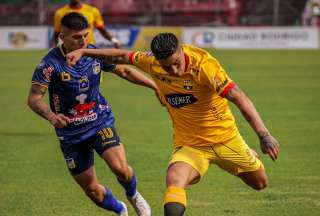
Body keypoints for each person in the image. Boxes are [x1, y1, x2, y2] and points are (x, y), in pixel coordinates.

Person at [66, 32, 280, 216]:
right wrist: (85, 52)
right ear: (157, 60)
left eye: (176, 63)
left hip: (227, 139)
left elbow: (238, 96)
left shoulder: (204, 66)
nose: (174, 71)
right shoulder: (150, 61)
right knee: (174, 180)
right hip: (191, 145)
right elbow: (122, 55)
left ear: (181, 49)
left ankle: (247, 152)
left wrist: (264, 135)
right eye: (167, 67)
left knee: (260, 184)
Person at [28, 12, 156, 216]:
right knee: (92, 191)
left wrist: (155, 86)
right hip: (71, 134)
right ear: (62, 36)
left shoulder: (93, 53)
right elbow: (34, 98)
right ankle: (120, 209)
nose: (83, 41)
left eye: (86, 35)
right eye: (77, 37)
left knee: (120, 169)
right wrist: (52, 116)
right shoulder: (49, 64)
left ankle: (133, 196)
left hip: (99, 121)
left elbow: (124, 71)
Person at [51, 0, 120, 47]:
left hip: (89, 48)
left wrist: (114, 40)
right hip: (70, 50)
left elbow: (102, 30)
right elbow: (56, 34)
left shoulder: (92, 11)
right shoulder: (60, 13)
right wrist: (52, 51)